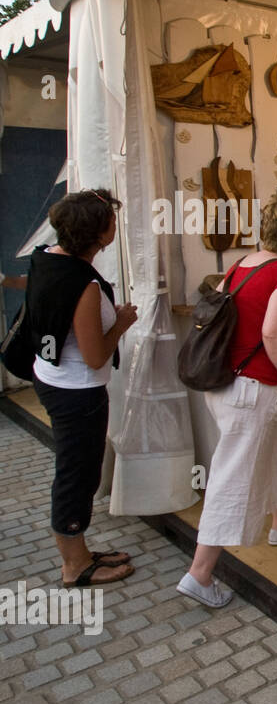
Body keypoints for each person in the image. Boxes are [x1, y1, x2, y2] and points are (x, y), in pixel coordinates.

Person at [178, 194, 277, 608]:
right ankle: (200, 573)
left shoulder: (241, 265)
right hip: (252, 391)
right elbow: (273, 333)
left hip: (223, 384)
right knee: (233, 479)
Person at [25, 190, 138, 587]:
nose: (114, 224)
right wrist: (121, 322)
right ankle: (74, 565)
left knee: (76, 469)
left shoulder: (47, 257)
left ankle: (80, 550)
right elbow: (94, 356)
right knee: (77, 474)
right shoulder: (84, 284)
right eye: (110, 219)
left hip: (52, 378)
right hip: (78, 392)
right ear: (101, 234)